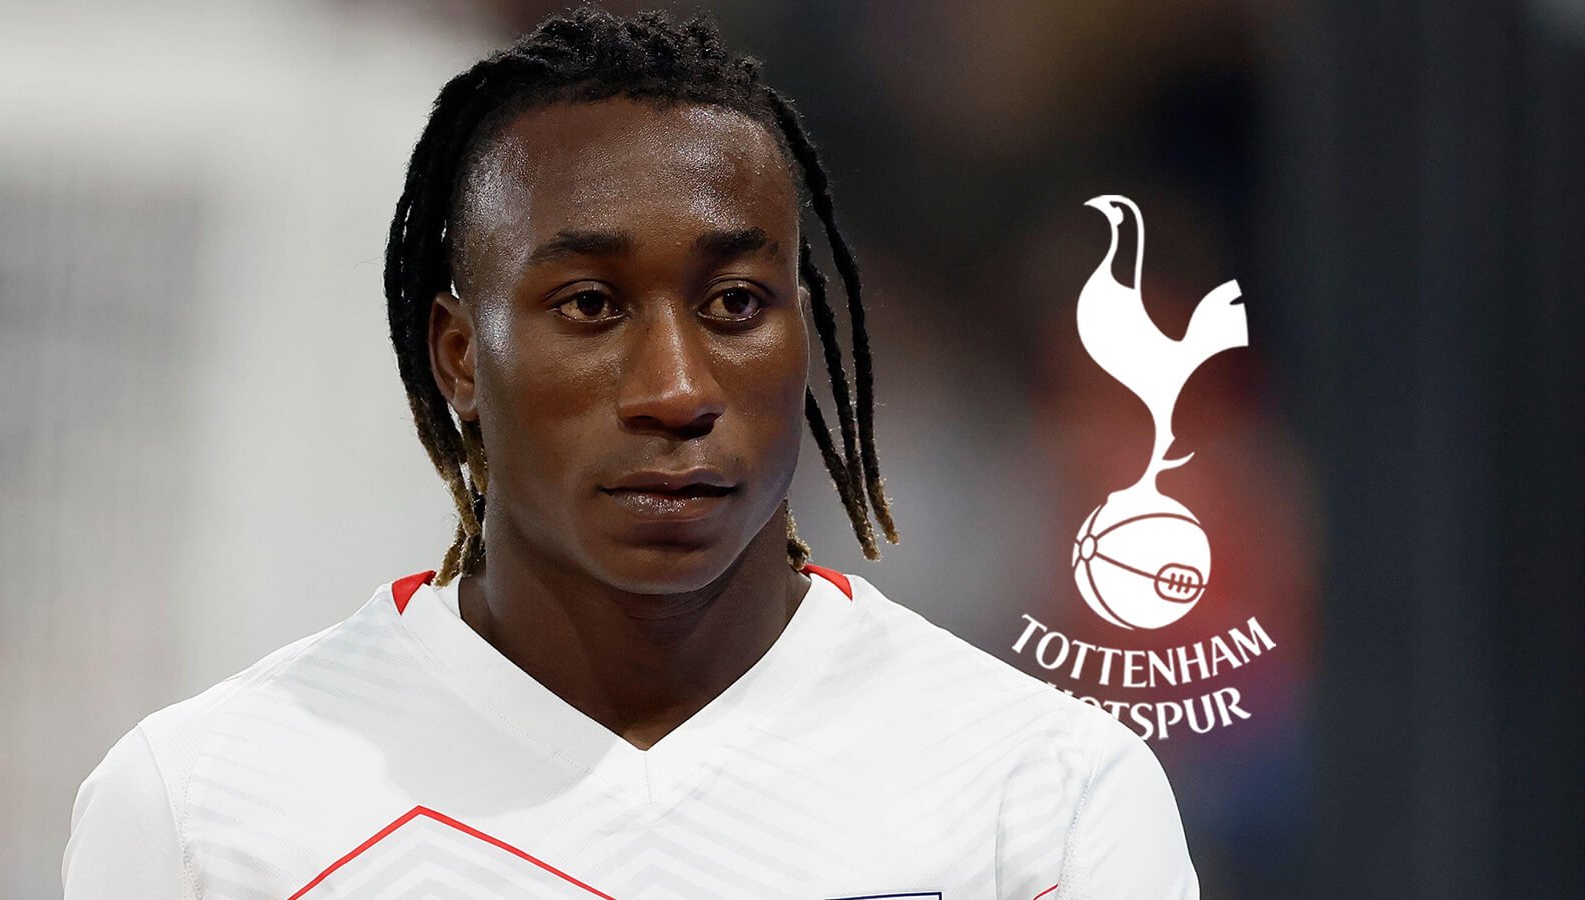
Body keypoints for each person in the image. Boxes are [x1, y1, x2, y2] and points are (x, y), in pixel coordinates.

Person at [62, 7, 1199, 898]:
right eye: (592, 305)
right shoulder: (200, 810)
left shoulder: (1044, 798)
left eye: (735, 303)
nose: (675, 391)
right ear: (459, 357)